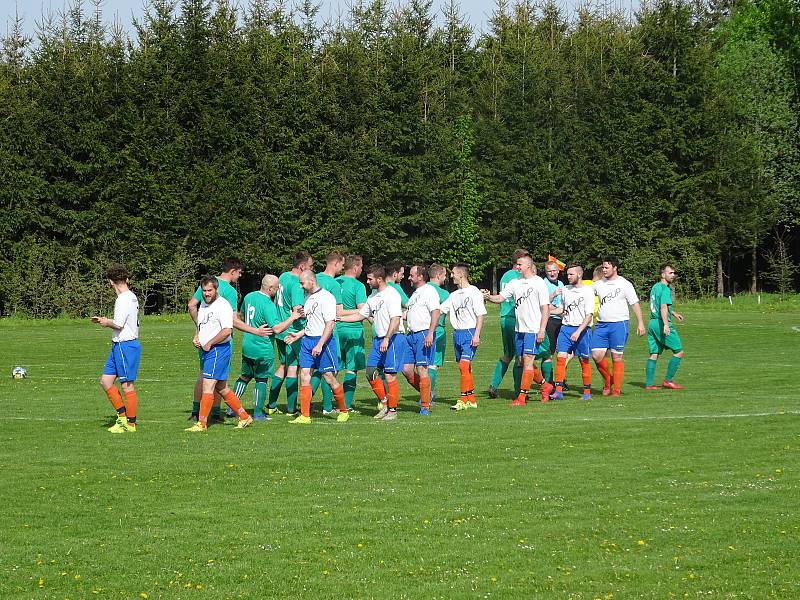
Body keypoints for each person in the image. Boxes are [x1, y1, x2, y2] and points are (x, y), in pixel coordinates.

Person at [186, 257, 269, 422]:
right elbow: (233, 321)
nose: (239, 277)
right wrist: (255, 330)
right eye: (239, 273)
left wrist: (199, 333)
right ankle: (215, 414)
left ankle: (198, 414)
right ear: (233, 271)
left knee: (209, 378)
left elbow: (191, 305)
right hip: (218, 344)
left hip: (211, 343)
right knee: (215, 381)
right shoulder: (228, 291)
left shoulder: (207, 285)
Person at [185, 276, 253, 432]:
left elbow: (227, 331)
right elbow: (202, 325)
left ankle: (201, 424)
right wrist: (198, 337)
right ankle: (244, 417)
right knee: (222, 388)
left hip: (218, 350)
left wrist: (210, 342)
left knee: (207, 386)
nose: (207, 294)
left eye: (210, 290)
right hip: (207, 350)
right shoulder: (203, 305)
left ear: (216, 289)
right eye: (204, 291)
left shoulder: (223, 306)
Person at [231, 275, 303, 420]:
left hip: (247, 343)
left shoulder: (249, 297)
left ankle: (231, 408)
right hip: (262, 347)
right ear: (270, 288)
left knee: (244, 376)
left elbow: (243, 315)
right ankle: (258, 413)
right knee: (261, 380)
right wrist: (292, 317)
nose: (278, 291)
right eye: (277, 288)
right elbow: (277, 329)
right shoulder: (268, 305)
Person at [483, 255, 552, 405]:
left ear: (528, 265)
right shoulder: (515, 283)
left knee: (527, 362)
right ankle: (545, 385)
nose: (517, 267)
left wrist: (542, 330)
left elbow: (545, 308)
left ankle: (521, 398)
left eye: (520, 264)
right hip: (519, 330)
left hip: (533, 330)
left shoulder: (538, 283)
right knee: (521, 361)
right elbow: (500, 298)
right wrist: (488, 297)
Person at [339, 264, 403, 421]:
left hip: (393, 338)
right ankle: (385, 402)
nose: (367, 281)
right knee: (370, 371)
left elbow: (396, 319)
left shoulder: (392, 294)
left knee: (389, 376)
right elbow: (361, 315)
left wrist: (387, 339)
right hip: (379, 339)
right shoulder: (372, 297)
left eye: (370, 279)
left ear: (379, 279)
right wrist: (338, 318)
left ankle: (392, 411)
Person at [284, 271, 349, 424]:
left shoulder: (326, 298)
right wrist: (298, 335)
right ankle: (305, 415)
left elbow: (330, 324)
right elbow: (312, 322)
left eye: (302, 283)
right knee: (304, 375)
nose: (300, 286)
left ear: (312, 280)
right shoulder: (308, 297)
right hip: (307, 341)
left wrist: (320, 344)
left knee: (328, 377)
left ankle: (344, 411)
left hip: (323, 342)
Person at [91, 264, 141, 433]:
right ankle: (122, 417)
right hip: (119, 345)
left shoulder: (123, 299)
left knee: (127, 385)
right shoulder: (132, 297)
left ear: (110, 282)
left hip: (125, 345)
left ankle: (130, 424)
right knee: (105, 381)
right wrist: (107, 320)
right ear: (126, 279)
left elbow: (118, 324)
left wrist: (105, 322)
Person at [591, 256, 646, 397]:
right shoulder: (598, 284)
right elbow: (585, 295)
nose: (603, 270)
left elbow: (634, 303)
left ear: (615, 268)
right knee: (596, 356)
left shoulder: (625, 284)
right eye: (602, 267)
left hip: (619, 324)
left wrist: (640, 323)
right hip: (601, 325)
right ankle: (608, 380)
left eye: (606, 267)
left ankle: (616, 390)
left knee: (616, 357)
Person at [270, 251, 313, 415]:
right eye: (309, 266)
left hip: (280, 329)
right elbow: (297, 309)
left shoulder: (283, 276)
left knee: (283, 366)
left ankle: (272, 404)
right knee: (294, 367)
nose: (310, 270)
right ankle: (291, 407)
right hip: (292, 331)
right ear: (302, 266)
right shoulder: (296, 283)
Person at [440, 263, 486, 411]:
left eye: (453, 273)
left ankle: (462, 399)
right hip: (457, 334)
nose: (451, 276)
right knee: (464, 369)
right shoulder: (453, 295)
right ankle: (471, 400)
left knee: (464, 365)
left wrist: (476, 335)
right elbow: (440, 310)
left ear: (461, 274)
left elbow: (480, 315)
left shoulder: (474, 292)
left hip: (469, 332)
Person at [487, 249, 529, 399]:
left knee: (508, 354)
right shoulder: (518, 276)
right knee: (521, 356)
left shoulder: (505, 275)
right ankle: (519, 391)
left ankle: (494, 385)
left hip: (504, 317)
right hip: (515, 318)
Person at [400, 264, 441, 415]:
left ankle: (425, 406)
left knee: (422, 369)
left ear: (420, 276)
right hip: (411, 336)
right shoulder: (415, 294)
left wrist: (430, 333)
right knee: (406, 370)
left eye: (411, 275)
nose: (409, 277)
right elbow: (409, 314)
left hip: (423, 334)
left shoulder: (429, 291)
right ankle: (427, 393)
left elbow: (436, 311)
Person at [550, 265, 595, 401]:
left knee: (584, 360)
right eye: (568, 274)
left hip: (582, 330)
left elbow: (589, 315)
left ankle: (586, 393)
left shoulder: (587, 291)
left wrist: (578, 331)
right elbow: (562, 309)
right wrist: (548, 312)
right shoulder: (566, 290)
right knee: (560, 358)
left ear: (579, 275)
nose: (568, 277)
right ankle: (558, 392)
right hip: (565, 328)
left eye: (571, 274)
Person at [313, 251, 346, 414]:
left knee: (314, 369)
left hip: (313, 329)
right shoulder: (333, 284)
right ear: (336, 263)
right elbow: (338, 312)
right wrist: (364, 312)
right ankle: (327, 406)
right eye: (342, 264)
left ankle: (305, 404)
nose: (343, 267)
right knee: (330, 368)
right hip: (329, 329)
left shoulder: (314, 278)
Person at [336, 255, 368, 411]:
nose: (361, 269)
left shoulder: (335, 283)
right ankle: (346, 405)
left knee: (332, 369)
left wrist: (339, 315)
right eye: (361, 267)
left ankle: (328, 406)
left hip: (335, 330)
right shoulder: (358, 286)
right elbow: (363, 309)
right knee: (351, 368)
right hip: (353, 330)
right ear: (355, 267)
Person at [645, 264, 685, 390]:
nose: (673, 275)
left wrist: (673, 313)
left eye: (674, 273)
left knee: (654, 354)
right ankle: (668, 380)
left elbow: (660, 305)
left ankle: (649, 384)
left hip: (652, 323)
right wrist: (666, 325)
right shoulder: (665, 289)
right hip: (660, 323)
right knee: (679, 351)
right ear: (663, 274)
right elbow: (662, 307)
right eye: (670, 273)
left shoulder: (655, 287)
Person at [427, 263, 450, 404]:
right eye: (444, 275)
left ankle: (424, 392)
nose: (445, 278)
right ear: (439, 275)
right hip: (437, 330)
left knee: (423, 364)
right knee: (433, 365)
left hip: (420, 331)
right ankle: (429, 394)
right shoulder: (444, 294)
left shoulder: (421, 289)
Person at [542, 260, 565, 386]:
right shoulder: (543, 284)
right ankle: (548, 382)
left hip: (560, 321)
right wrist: (552, 295)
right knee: (549, 353)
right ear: (546, 272)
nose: (552, 273)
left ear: (558, 270)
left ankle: (560, 380)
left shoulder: (561, 283)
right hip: (549, 321)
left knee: (563, 352)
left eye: (554, 270)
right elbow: (544, 304)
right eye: (549, 271)